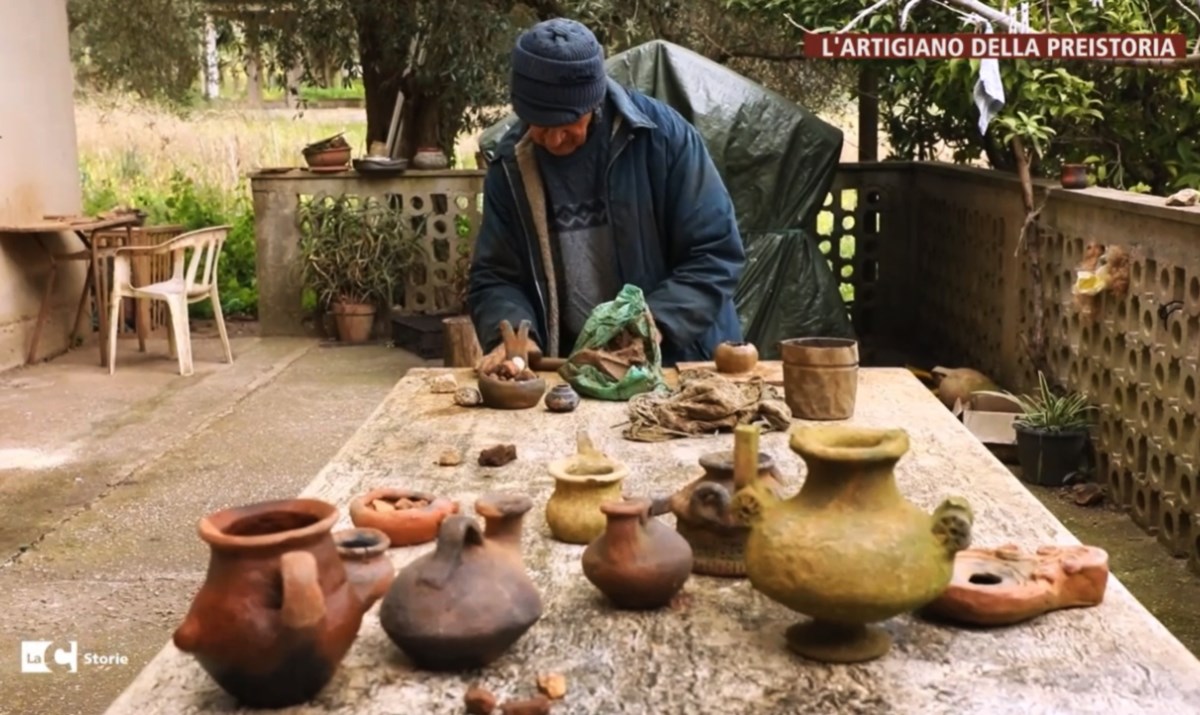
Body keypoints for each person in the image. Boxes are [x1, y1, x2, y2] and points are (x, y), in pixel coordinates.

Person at [468, 18, 745, 372]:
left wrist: (651, 325)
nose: (553, 141)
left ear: (593, 103)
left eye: (567, 125)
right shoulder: (510, 166)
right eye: (539, 125)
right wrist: (515, 333)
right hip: (576, 372)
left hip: (678, 364)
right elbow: (496, 276)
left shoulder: (665, 140)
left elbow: (715, 253)